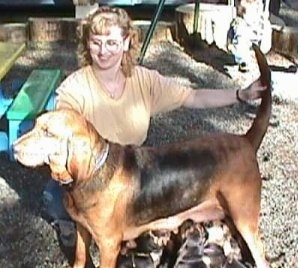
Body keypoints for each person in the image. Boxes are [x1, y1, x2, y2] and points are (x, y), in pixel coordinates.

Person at [42, 5, 266, 247]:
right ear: (87, 44)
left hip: (128, 171)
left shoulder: (144, 80)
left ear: (126, 42)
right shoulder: (74, 88)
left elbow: (193, 97)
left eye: (112, 42)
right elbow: (58, 126)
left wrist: (240, 94)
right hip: (89, 173)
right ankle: (72, 224)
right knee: (56, 200)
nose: (103, 51)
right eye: (96, 42)